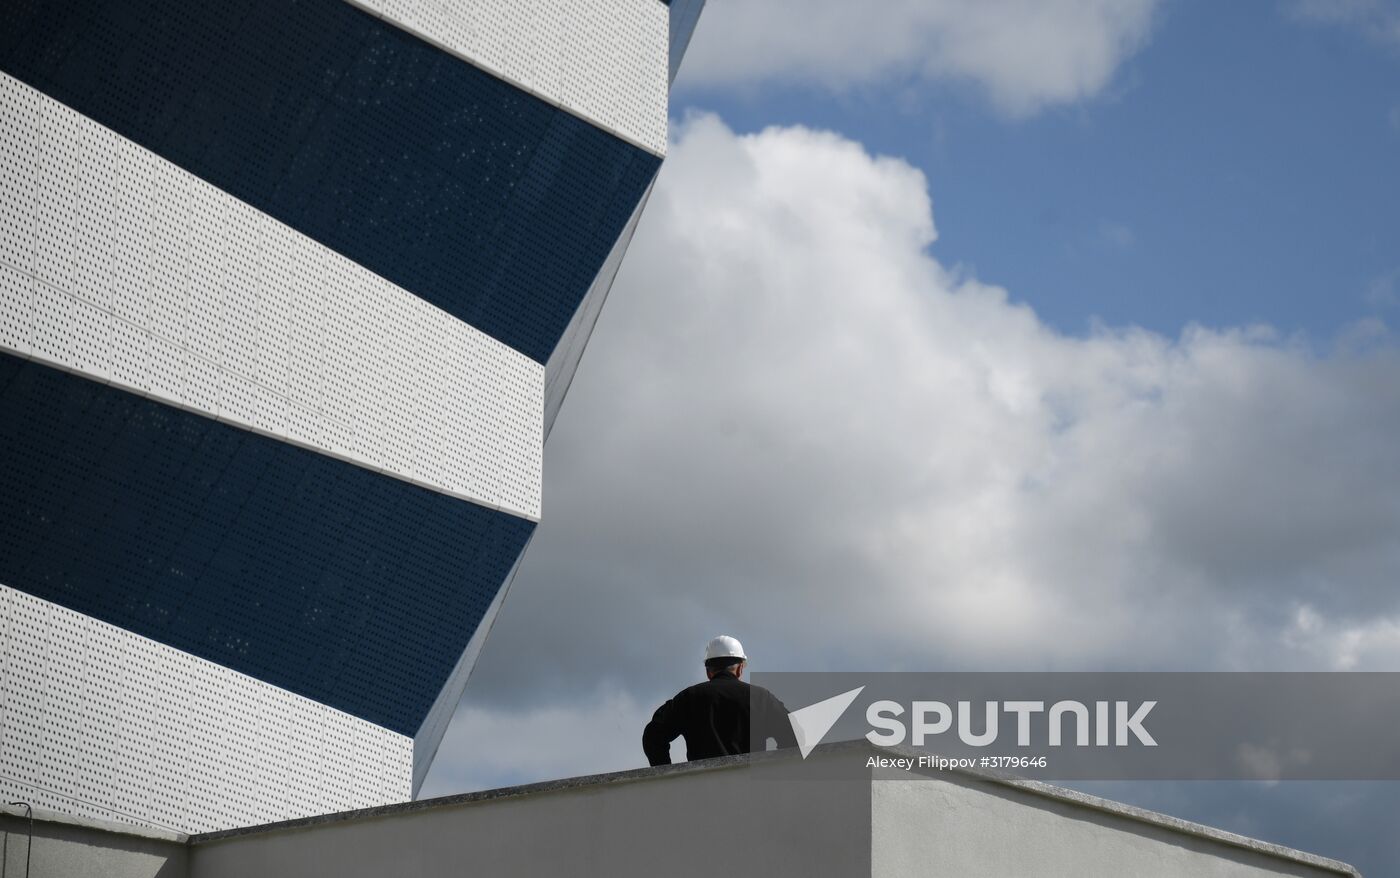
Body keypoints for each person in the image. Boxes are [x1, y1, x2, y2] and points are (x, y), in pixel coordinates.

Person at [642, 635, 797, 766]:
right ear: (740, 668)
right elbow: (795, 734)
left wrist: (667, 777)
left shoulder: (689, 698)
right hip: (752, 792)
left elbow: (653, 736)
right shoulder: (761, 698)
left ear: (709, 672)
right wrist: (777, 767)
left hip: (703, 792)